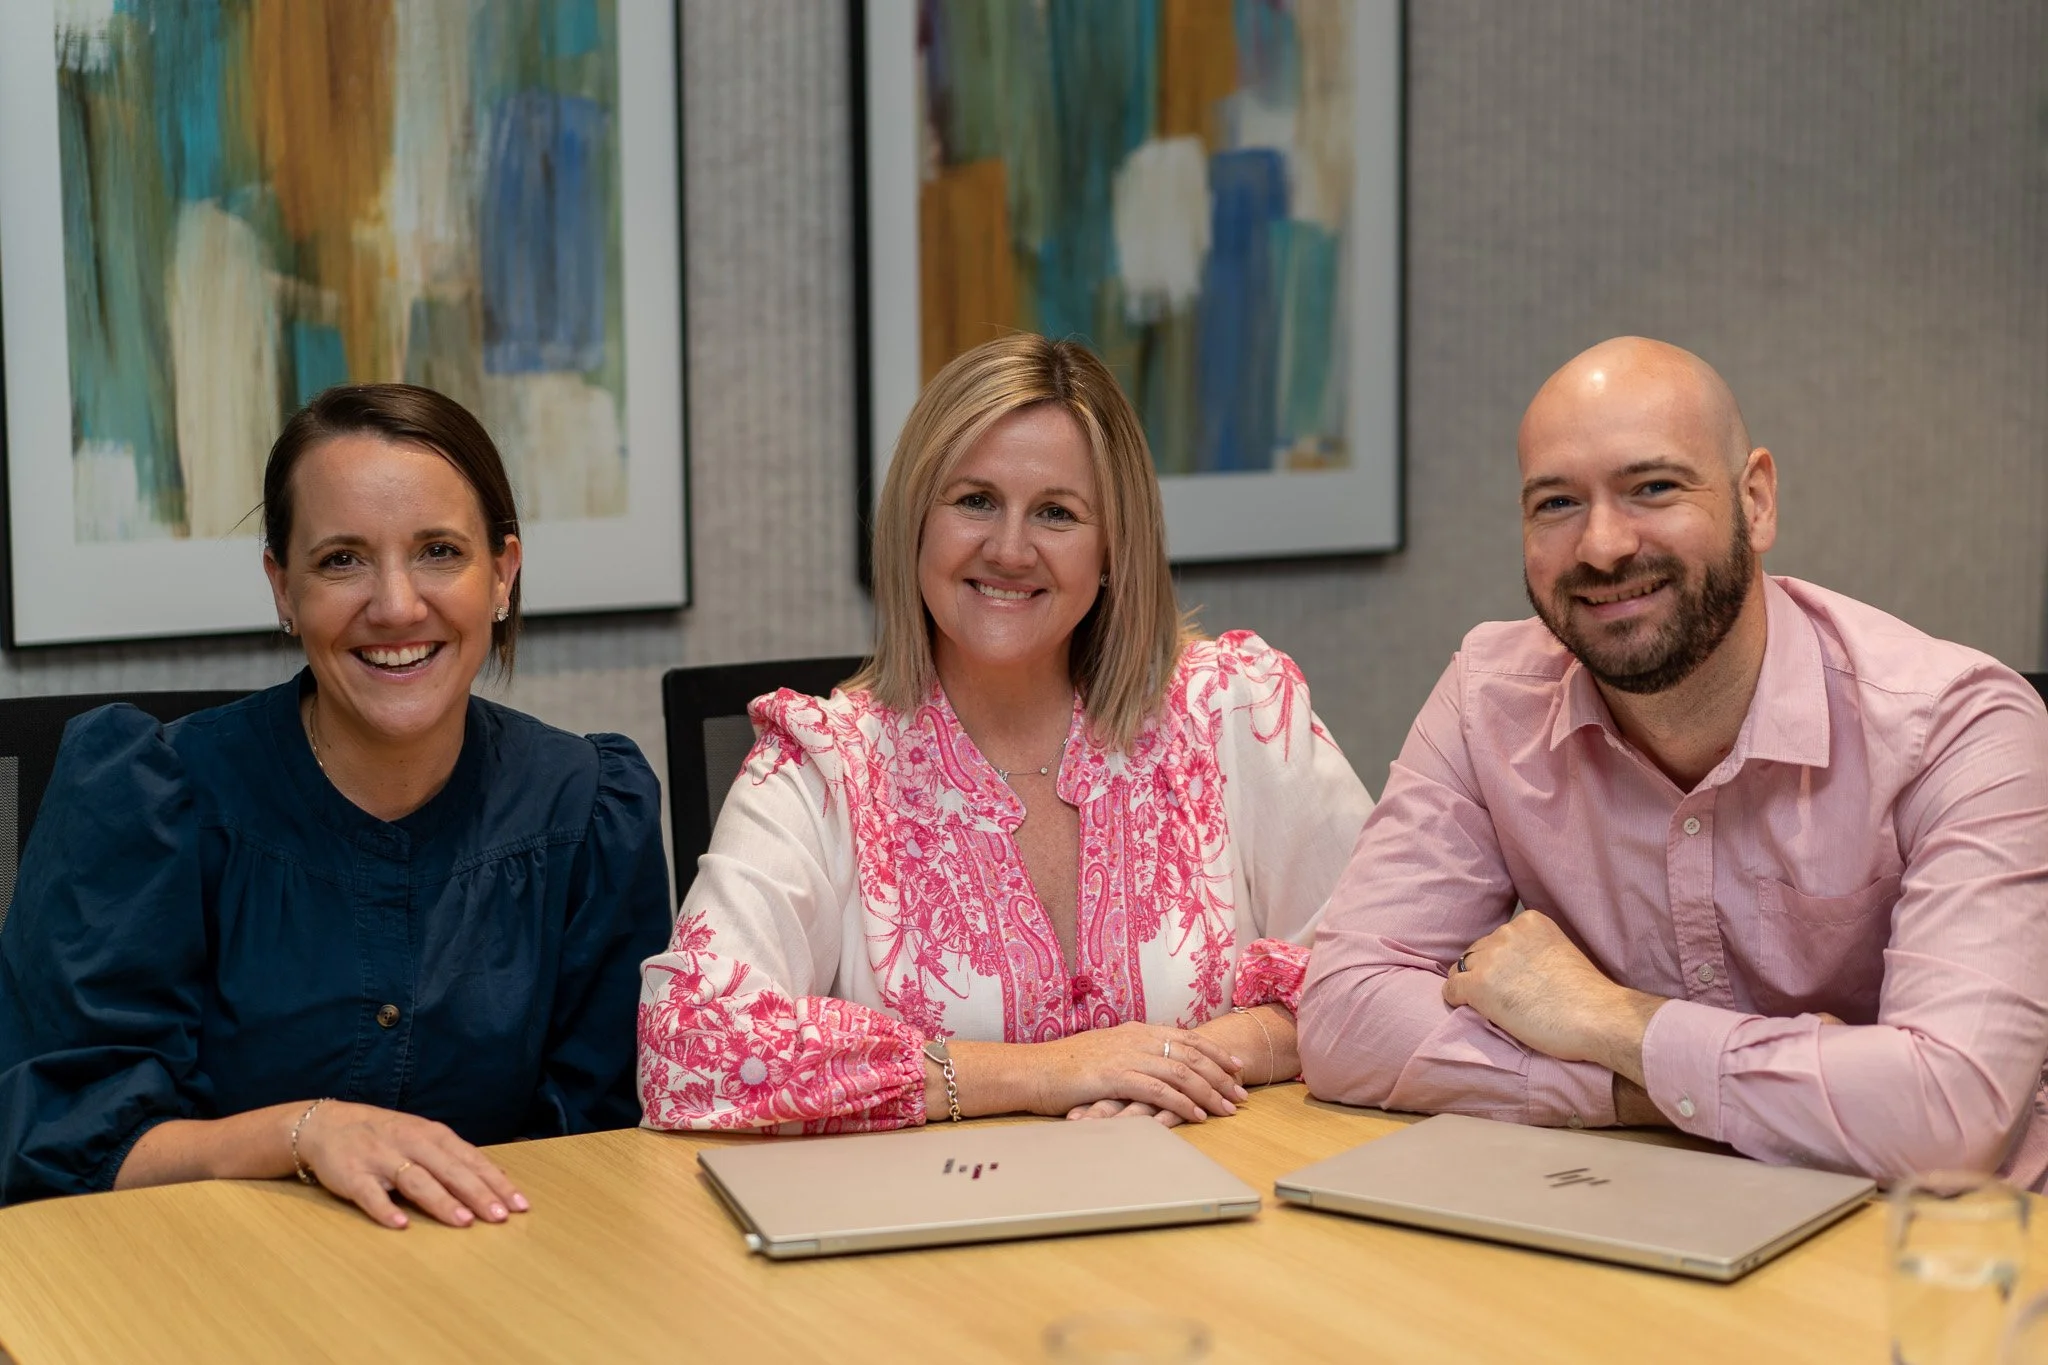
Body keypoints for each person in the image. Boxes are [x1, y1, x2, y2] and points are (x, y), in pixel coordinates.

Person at [1298, 336, 2048, 1186]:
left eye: (1652, 487)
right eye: (1555, 503)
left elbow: (1952, 1115)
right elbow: (1344, 1015)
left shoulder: (1959, 725)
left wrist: (1609, 1017)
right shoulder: (1487, 700)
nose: (1603, 546)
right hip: (1647, 1211)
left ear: (1756, 500)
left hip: (1936, 1254)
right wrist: (1646, 1088)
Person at [639, 334, 1371, 1132]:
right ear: (915, 522)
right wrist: (1045, 1071)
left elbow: (1388, 965)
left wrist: (1195, 1058)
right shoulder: (820, 768)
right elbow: (688, 1050)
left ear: (1112, 551)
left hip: (1222, 1214)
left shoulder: (1235, 713)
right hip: (943, 1233)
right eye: (976, 500)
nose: (1011, 549)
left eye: (1057, 512)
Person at [0, 384, 672, 1227]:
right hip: (193, 1285)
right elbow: (53, 1145)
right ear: (283, 588)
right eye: (342, 559)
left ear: (502, 573)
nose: (395, 605)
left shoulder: (588, 809)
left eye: (438, 550)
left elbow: (607, 1147)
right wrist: (298, 1133)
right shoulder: (149, 799)